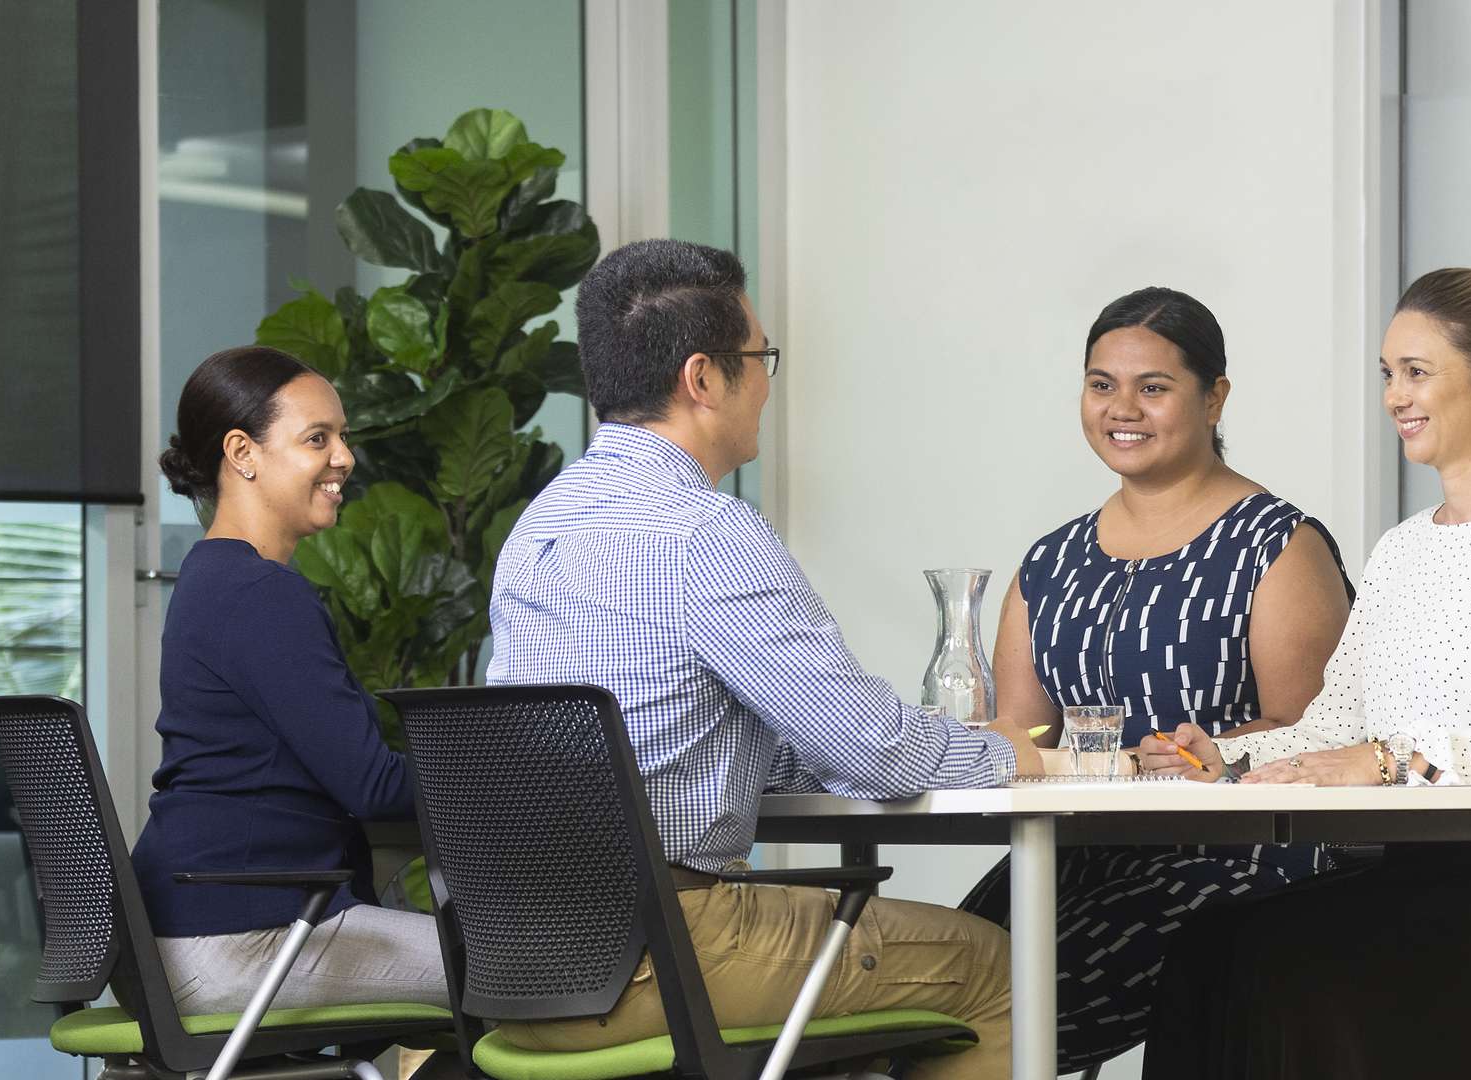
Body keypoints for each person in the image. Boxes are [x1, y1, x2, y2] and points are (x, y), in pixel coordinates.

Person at [485, 239, 1038, 1078]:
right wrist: (1009, 750)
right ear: (703, 379)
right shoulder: (704, 533)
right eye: (761, 357)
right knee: (994, 968)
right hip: (653, 958)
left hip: (517, 963)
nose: (770, 382)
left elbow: (672, 729)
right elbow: (874, 749)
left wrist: (821, 757)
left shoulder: (538, 529)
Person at [1136, 268, 1471, 1078]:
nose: (1395, 396)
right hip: (1429, 878)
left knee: (1287, 972)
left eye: (1416, 372)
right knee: (1209, 949)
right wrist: (1230, 757)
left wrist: (1394, 762)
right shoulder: (1401, 551)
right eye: (1389, 374)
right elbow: (1337, 726)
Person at [956, 286, 1356, 1071]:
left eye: (1154, 387)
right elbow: (1023, 736)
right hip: (1079, 850)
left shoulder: (1276, 543)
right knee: (936, 983)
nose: (1121, 408)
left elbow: (1318, 734)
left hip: (1240, 853)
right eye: (1101, 384)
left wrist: (1192, 756)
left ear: (1215, 399)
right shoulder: (1051, 561)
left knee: (1004, 1009)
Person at [132, 346, 447, 1012]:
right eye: (317, 438)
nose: (345, 458)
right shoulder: (259, 593)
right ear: (243, 453)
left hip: (183, 935)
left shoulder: (211, 578)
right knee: (537, 967)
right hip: (243, 941)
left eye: (343, 437)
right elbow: (373, 785)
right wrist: (523, 784)